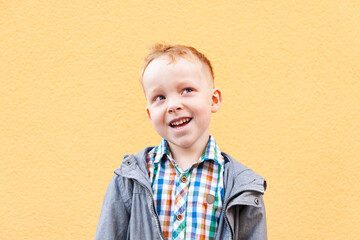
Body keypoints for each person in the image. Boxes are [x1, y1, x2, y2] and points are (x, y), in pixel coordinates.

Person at [95, 43, 267, 240]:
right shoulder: (128, 180)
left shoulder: (243, 186)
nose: (174, 105)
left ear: (214, 100)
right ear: (150, 114)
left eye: (187, 90)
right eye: (160, 97)